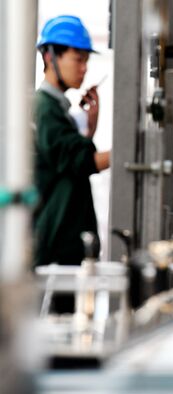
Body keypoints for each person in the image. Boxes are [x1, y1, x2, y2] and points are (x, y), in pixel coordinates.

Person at [34, 15, 110, 267]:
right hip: (55, 250)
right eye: (78, 59)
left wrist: (90, 127)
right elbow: (83, 161)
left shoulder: (57, 107)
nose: (84, 68)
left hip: (64, 248)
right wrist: (134, 150)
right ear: (50, 56)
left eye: (86, 60)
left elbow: (69, 161)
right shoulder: (45, 109)